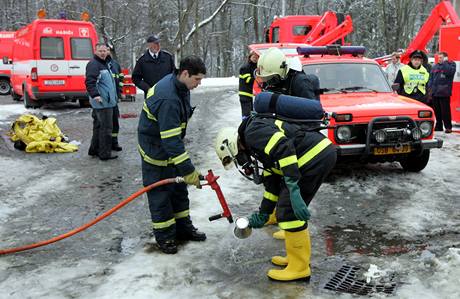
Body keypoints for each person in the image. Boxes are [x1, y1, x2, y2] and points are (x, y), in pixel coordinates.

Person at [214, 116, 336, 282]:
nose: (242, 162)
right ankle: (294, 259)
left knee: (288, 213)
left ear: (232, 146)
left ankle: (299, 268)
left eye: (236, 158)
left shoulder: (253, 133)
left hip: (313, 157)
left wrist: (292, 186)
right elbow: (272, 185)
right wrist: (263, 213)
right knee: (287, 210)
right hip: (312, 157)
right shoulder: (255, 146)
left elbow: (284, 148)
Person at [137, 56, 207, 254]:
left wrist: (185, 171)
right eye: (197, 79)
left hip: (170, 148)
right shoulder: (168, 97)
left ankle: (183, 229)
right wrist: (189, 170)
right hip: (155, 151)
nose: (199, 84)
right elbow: (171, 142)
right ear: (185, 73)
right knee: (160, 196)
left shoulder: (181, 87)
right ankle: (165, 237)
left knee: (178, 190)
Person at [255, 47, 320, 239]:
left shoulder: (300, 82)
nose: (267, 84)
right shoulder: (278, 80)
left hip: (299, 140)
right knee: (273, 177)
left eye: (270, 80)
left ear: (282, 72)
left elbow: (311, 115)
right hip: (281, 136)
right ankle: (275, 214)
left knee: (291, 182)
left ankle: (290, 223)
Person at [85, 43, 118, 161]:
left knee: (98, 127)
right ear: (95, 51)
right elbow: (90, 82)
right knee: (106, 129)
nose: (103, 53)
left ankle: (94, 150)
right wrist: (96, 95)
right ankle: (104, 154)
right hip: (102, 102)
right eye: (100, 51)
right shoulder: (94, 64)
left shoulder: (104, 64)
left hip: (107, 102)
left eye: (105, 51)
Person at [132, 34, 176, 98]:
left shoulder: (168, 58)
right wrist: (147, 88)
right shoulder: (142, 60)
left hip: (167, 95)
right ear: (149, 45)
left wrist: (171, 86)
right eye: (155, 43)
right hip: (151, 96)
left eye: (158, 43)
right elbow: (136, 78)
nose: (157, 45)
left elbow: (174, 74)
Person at [428, 51, 456, 133]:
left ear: (445, 58)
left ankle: (448, 127)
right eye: (438, 58)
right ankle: (439, 126)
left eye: (441, 57)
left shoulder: (451, 64)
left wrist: (445, 62)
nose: (439, 59)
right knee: (437, 111)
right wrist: (430, 88)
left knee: (445, 111)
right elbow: (431, 78)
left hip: (444, 92)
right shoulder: (435, 66)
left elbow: (449, 72)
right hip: (435, 92)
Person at [106, 47, 123, 151]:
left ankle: (114, 142)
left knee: (115, 122)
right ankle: (105, 144)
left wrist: (120, 92)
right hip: (105, 100)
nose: (106, 52)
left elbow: (121, 78)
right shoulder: (100, 64)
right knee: (105, 124)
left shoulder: (115, 64)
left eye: (107, 50)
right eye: (104, 50)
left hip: (114, 99)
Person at [238, 51, 259, 118]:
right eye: (254, 57)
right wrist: (258, 78)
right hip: (244, 94)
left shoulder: (255, 67)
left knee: (250, 113)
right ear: (250, 57)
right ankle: (244, 126)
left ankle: (248, 125)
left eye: (257, 57)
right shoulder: (245, 67)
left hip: (250, 94)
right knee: (246, 113)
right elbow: (247, 80)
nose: (255, 59)